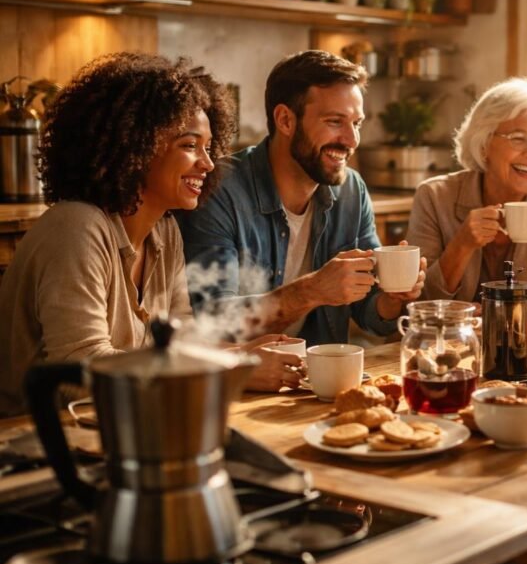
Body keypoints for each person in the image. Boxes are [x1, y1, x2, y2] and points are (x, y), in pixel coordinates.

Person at [0, 53, 302, 418]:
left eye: (208, 147)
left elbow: (181, 343)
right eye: (190, 146)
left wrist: (239, 355)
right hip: (33, 438)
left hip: (123, 421)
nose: (208, 163)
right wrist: (237, 364)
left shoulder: (164, 230)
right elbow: (78, 376)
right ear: (133, 147)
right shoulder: (77, 227)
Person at [177, 50, 426, 346]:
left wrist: (392, 298)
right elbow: (214, 323)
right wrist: (313, 290)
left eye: (356, 124)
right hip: (244, 380)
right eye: (335, 121)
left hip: (316, 379)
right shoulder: (220, 189)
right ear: (285, 120)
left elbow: (371, 315)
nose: (352, 140)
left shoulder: (351, 191)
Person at [405, 78, 527, 314]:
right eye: (518, 138)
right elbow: (417, 302)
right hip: (449, 344)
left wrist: (497, 312)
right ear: (483, 143)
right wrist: (461, 246)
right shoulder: (434, 197)